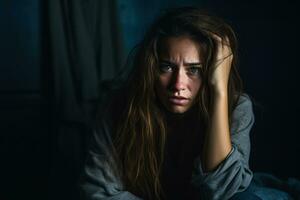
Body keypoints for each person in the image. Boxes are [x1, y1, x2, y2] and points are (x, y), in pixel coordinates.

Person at [79, 6, 259, 200]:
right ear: (151, 68)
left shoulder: (236, 106)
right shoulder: (118, 105)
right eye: (166, 67)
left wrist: (219, 91)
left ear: (211, 71)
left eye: (194, 70)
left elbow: (223, 190)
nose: (178, 85)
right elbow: (97, 191)